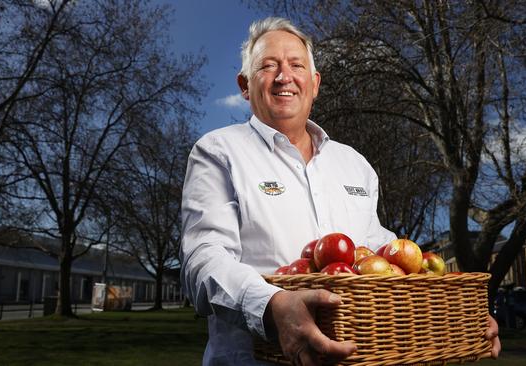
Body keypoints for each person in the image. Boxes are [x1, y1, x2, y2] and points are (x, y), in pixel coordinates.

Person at [180, 17, 500, 366]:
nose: (284, 76)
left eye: (296, 65)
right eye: (268, 66)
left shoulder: (354, 164)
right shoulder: (218, 151)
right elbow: (203, 261)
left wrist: (456, 313)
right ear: (245, 84)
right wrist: (270, 304)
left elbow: (380, 252)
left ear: (314, 83)